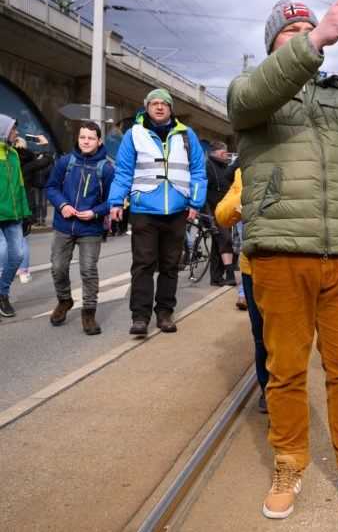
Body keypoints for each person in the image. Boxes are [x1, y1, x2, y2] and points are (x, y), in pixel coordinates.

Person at [227, 0, 338, 524]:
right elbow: (251, 96)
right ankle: (289, 458)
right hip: (280, 253)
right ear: (274, 43)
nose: (305, 32)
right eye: (293, 29)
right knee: (285, 370)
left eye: (309, 25)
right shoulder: (252, 94)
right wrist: (319, 37)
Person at [108, 88, 208, 336]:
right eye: (154, 103)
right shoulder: (134, 134)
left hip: (177, 210)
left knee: (170, 265)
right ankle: (140, 317)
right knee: (142, 265)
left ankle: (164, 313)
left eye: (164, 103)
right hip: (144, 209)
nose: (160, 107)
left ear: (171, 108)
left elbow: (198, 171)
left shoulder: (187, 135)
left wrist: (195, 203)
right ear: (147, 107)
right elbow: (123, 172)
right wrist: (116, 202)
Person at [44, 122, 114, 335]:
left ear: (99, 141)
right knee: (57, 267)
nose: (85, 141)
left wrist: (95, 212)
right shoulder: (66, 162)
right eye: (82, 137)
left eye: (90, 138)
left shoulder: (107, 168)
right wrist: (63, 205)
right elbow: (51, 187)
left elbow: (113, 200)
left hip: (90, 229)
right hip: (64, 225)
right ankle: (64, 300)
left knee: (88, 270)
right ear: (78, 138)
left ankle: (89, 313)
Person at [215, 168, 268, 412]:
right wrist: (248, 193)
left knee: (286, 337)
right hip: (252, 265)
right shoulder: (243, 170)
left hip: (288, 266)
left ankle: (285, 393)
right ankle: (267, 389)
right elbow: (223, 215)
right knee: (260, 334)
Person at [0, 114, 31, 319]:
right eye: (13, 129)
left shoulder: (12, 154)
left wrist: (26, 214)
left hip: (13, 216)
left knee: (18, 255)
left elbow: (20, 187)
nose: (16, 133)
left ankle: (2, 293)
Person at [14, 132, 52, 284]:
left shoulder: (8, 160)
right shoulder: (29, 163)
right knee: (22, 239)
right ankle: (24, 272)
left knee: (4, 240)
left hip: (7, 204)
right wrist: (45, 145)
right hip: (24, 205)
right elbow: (47, 161)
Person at [205, 140, 236, 287]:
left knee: (218, 244)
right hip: (213, 210)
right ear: (215, 152)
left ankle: (216, 277)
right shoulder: (208, 167)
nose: (226, 156)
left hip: (226, 211)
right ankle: (229, 274)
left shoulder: (226, 168)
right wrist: (207, 214)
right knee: (225, 240)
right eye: (224, 153)